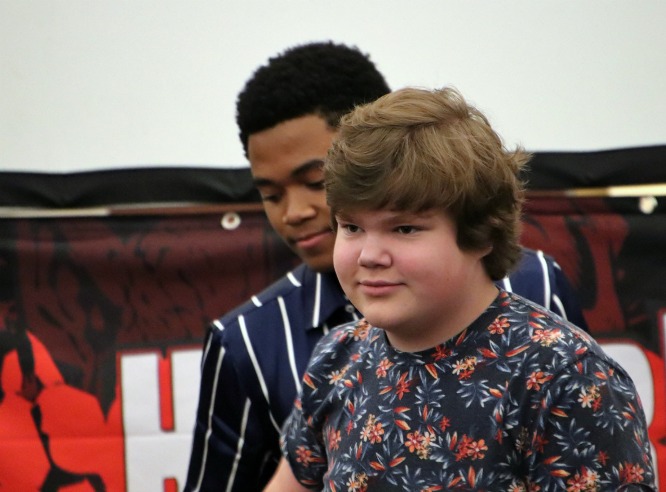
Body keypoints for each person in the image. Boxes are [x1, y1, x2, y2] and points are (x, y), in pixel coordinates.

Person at [184, 42, 588, 492]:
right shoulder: (326, 357)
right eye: (351, 226)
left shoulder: (558, 352)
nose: (295, 212)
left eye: (404, 228)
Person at [268, 86, 656, 491]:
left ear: (481, 234)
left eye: (404, 229)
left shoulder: (562, 377)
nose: (369, 255)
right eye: (351, 227)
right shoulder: (337, 358)